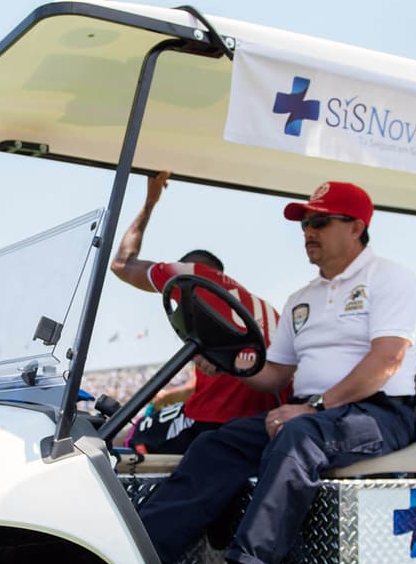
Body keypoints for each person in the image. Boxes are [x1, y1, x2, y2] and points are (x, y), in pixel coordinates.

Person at [138, 180, 416, 564]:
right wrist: (228, 359)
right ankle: (137, 559)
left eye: (319, 222)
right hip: (314, 415)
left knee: (296, 436)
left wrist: (313, 406)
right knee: (218, 442)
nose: (308, 232)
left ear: (356, 227)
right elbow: (274, 374)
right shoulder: (301, 300)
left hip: (376, 414)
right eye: (305, 224)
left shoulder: (390, 279)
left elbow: (386, 360)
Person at [110, 170, 285, 454]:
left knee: (119, 437)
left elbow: (121, 264)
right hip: (259, 422)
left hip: (213, 421)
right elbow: (217, 377)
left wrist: (150, 203)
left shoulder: (190, 280)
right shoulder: (261, 309)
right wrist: (169, 395)